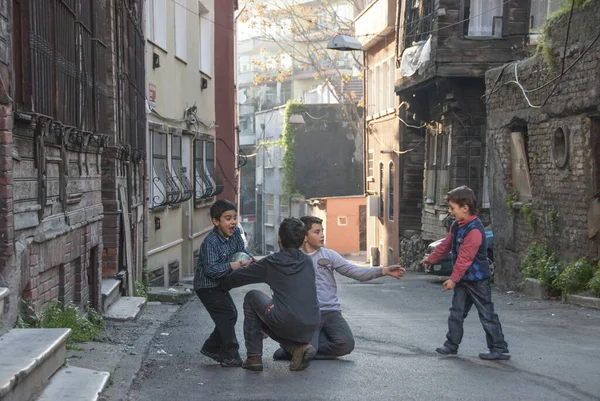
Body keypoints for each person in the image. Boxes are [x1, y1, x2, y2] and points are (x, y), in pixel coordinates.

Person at [273, 216, 405, 361]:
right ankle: (301, 349)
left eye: (322, 231)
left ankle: (300, 351)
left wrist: (383, 271)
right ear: (304, 236)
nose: (322, 235)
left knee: (346, 344)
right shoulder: (294, 258)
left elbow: (355, 272)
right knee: (310, 346)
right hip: (307, 315)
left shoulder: (329, 255)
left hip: (331, 312)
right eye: (317, 232)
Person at [421, 185, 510, 360]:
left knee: (486, 313)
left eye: (452, 208)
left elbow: (465, 259)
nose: (450, 211)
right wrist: (431, 258)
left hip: (477, 280)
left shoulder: (475, 231)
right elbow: (446, 245)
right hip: (463, 279)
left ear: (465, 208)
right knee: (456, 313)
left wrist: (453, 279)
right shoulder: (457, 225)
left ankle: (499, 348)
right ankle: (451, 345)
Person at [221, 217, 320, 372]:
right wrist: (258, 263)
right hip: (311, 324)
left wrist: (221, 282)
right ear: (303, 240)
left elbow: (236, 279)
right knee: (277, 312)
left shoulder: (271, 262)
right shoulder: (307, 261)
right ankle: (298, 349)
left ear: (279, 239)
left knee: (252, 297)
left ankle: (254, 356)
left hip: (287, 320)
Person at [193, 199, 252, 367]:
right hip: (206, 286)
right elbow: (212, 270)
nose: (233, 221)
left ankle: (211, 347)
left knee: (230, 314)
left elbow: (241, 251)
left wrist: (247, 258)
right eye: (228, 218)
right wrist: (233, 265)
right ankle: (229, 354)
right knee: (227, 315)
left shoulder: (235, 236)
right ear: (216, 221)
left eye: (235, 217)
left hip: (220, 285)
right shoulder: (210, 242)